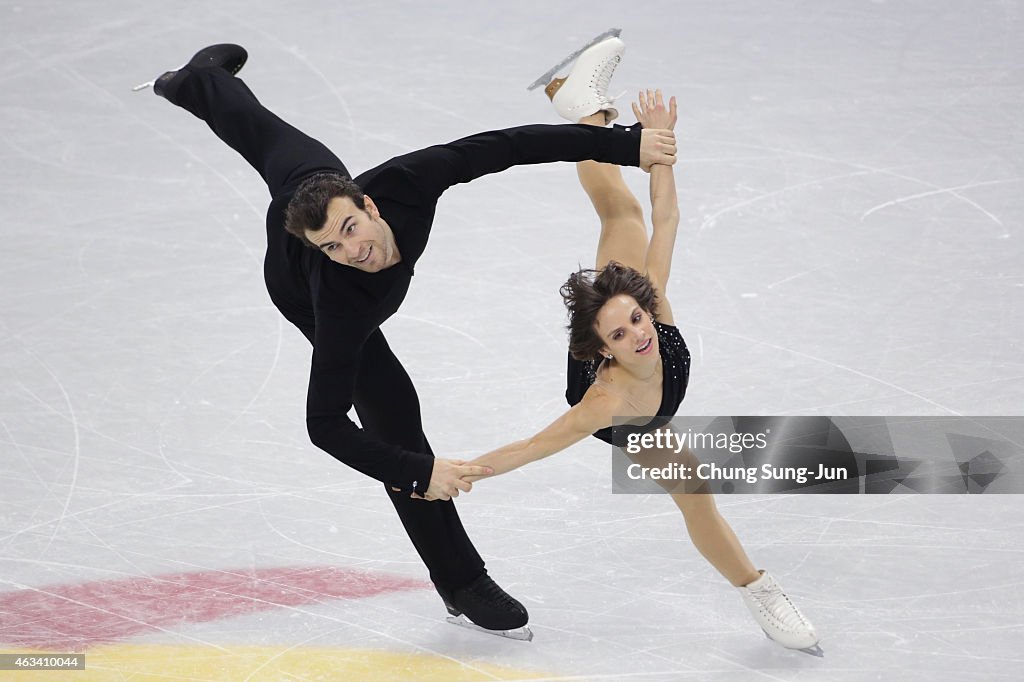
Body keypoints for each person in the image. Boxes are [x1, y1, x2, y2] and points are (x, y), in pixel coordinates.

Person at [140, 43, 677, 638]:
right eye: (334, 247)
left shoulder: (403, 184)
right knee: (395, 414)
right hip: (297, 291)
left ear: (368, 203)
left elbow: (506, 148)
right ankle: (461, 579)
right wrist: (417, 472)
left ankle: (194, 82)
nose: (354, 252)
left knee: (268, 138)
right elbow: (324, 422)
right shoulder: (338, 301)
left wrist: (624, 145)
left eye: (351, 229)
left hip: (310, 184)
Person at [464, 37, 822, 655]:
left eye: (635, 318)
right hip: (637, 416)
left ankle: (581, 112)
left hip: (629, 327)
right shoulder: (605, 405)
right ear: (604, 347)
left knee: (625, 215)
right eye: (621, 333)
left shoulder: (649, 306)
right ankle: (759, 589)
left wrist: (656, 146)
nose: (639, 335)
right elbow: (531, 447)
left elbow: (669, 218)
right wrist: (457, 472)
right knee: (695, 494)